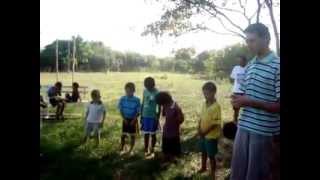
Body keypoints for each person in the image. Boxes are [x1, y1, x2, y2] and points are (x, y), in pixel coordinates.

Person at [230, 23, 280, 180]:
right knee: (237, 174)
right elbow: (246, 95)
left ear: (266, 39)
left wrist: (250, 102)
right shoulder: (250, 65)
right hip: (243, 127)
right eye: (247, 41)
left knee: (256, 175)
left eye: (252, 40)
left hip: (264, 132)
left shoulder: (278, 66)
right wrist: (238, 101)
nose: (248, 45)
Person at [196, 82, 221, 180]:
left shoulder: (216, 106)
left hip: (211, 136)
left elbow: (215, 123)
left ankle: (213, 174)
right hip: (202, 134)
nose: (205, 96)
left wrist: (204, 132)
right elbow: (201, 118)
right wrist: (199, 128)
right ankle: (203, 167)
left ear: (214, 92)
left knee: (211, 155)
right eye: (204, 94)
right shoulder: (204, 104)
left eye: (207, 94)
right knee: (203, 152)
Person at [155, 91, 184, 163]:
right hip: (166, 129)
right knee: (166, 144)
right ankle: (166, 156)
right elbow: (164, 114)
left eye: (162, 104)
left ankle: (172, 158)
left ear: (165, 101)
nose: (162, 106)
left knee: (172, 144)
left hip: (173, 130)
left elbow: (181, 119)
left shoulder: (176, 107)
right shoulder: (166, 105)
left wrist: (175, 119)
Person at [118, 82, 141, 155]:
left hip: (133, 120)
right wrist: (124, 118)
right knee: (123, 134)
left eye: (130, 91)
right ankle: (122, 147)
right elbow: (120, 109)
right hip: (125, 119)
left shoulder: (137, 100)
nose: (128, 93)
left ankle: (131, 149)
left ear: (134, 91)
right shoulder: (122, 99)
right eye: (127, 91)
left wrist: (134, 120)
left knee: (132, 135)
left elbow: (138, 111)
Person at [140, 77, 161, 158]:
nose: (148, 88)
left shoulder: (157, 93)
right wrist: (141, 115)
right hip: (145, 115)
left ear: (153, 85)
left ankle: (152, 149)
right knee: (146, 133)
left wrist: (157, 116)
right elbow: (143, 102)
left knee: (153, 134)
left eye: (149, 87)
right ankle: (145, 149)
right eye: (146, 87)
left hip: (153, 117)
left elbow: (159, 106)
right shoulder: (145, 91)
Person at [230, 55, 247, 123]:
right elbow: (232, 78)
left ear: (245, 61)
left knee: (246, 108)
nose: (239, 62)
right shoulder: (236, 68)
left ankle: (244, 121)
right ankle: (235, 120)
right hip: (236, 91)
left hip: (245, 91)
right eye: (238, 61)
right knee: (236, 108)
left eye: (241, 61)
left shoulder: (248, 68)